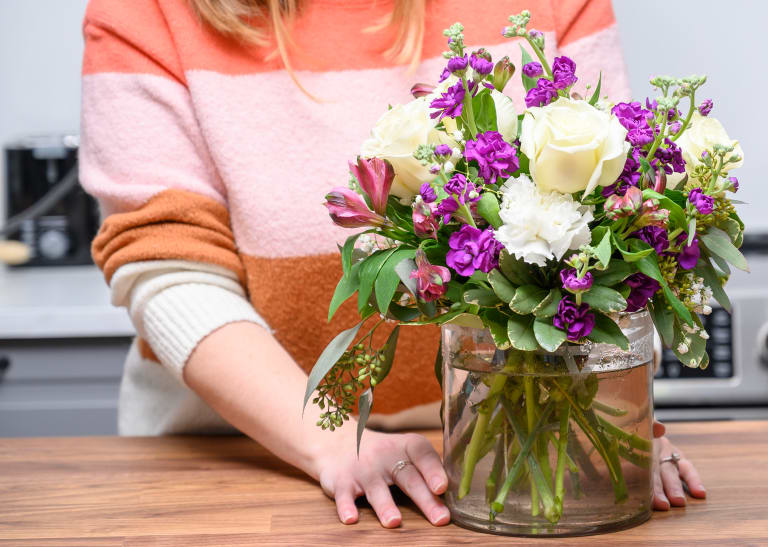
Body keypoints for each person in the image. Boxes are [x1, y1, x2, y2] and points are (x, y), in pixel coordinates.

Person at [80, 0, 706, 528]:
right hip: (228, 469)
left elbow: (612, 219)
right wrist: (325, 440)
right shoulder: (149, 11)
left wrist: (609, 419)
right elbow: (168, 265)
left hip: (504, 453)